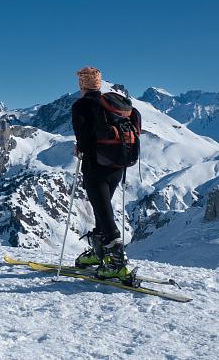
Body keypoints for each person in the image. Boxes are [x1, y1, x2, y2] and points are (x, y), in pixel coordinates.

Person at [71, 66, 137, 282]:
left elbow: (82, 138)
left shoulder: (82, 105)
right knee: (102, 207)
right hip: (118, 165)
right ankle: (100, 253)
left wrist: (80, 150)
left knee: (103, 211)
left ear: (82, 83)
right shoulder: (116, 105)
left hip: (95, 165)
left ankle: (117, 263)